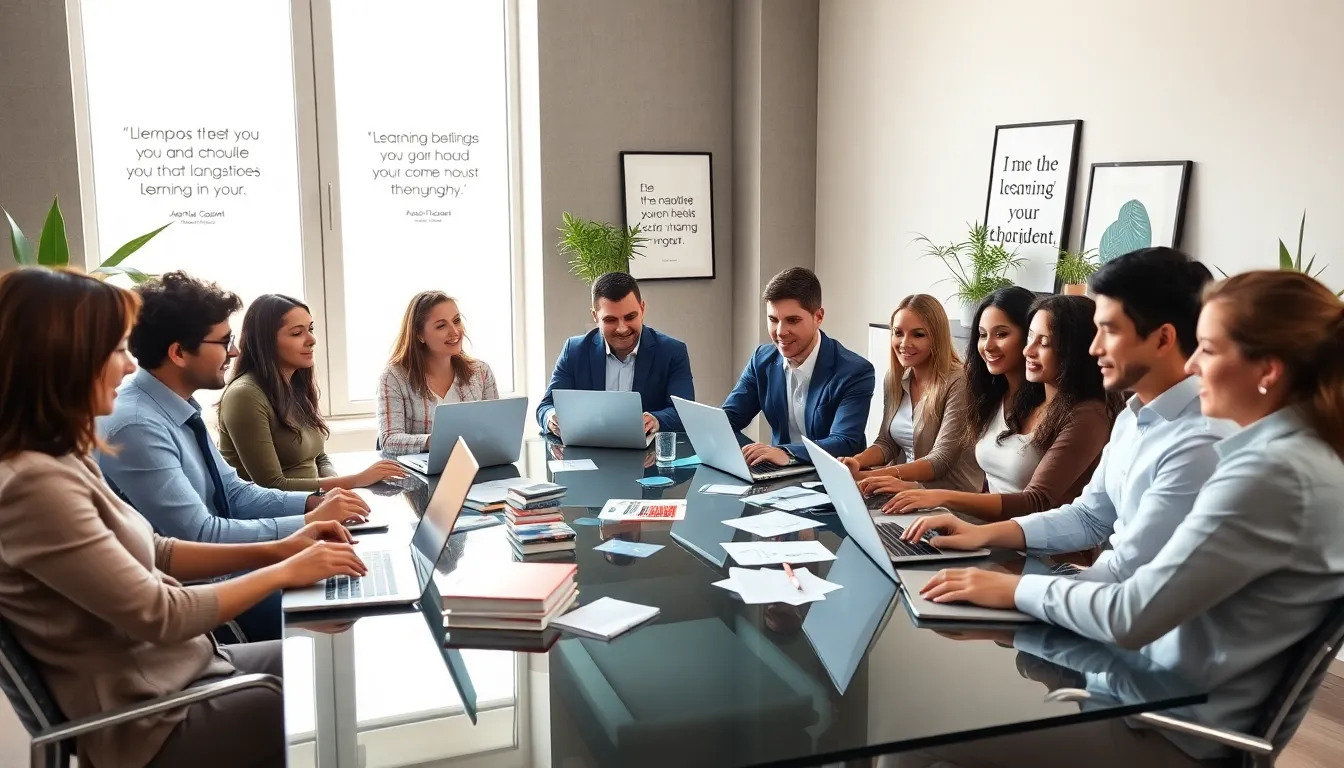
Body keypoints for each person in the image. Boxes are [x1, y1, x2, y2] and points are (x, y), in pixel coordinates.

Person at [901, 270, 1344, 767]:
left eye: (1210, 350)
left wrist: (1013, 590)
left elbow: (1131, 613)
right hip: (1134, 682)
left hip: (1166, 728)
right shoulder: (1288, 457)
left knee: (911, 733)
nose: (1195, 366)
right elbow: (1098, 526)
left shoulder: (1272, 475)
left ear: (1268, 370)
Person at [0, 267, 367, 768]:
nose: (129, 368)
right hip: (150, 716)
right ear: (65, 361)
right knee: (319, 673)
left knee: (336, 660)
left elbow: (159, 548)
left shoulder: (64, 454)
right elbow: (159, 613)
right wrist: (283, 570)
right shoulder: (33, 485)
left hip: (186, 667)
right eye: (114, 351)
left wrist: (287, 545)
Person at [898, 247, 1223, 583]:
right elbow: (1088, 518)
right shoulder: (1131, 418)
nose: (1094, 348)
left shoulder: (1197, 442)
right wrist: (982, 536)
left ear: (1163, 339)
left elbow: (1131, 585)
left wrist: (1013, 591)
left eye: (1109, 331)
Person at [99, 272, 369, 641]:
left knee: (357, 590)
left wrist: (312, 505)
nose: (235, 351)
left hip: (232, 575)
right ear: (178, 353)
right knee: (354, 615)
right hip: (204, 603)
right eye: (224, 341)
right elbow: (200, 533)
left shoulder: (176, 406)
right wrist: (298, 533)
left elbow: (236, 493)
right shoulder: (136, 426)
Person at [879, 293, 1121, 519]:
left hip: (1042, 550)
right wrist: (920, 493)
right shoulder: (1002, 398)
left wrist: (935, 497)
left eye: (1043, 342)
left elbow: (1036, 501)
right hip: (994, 533)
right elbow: (992, 487)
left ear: (1073, 350)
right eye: (982, 334)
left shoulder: (1086, 414)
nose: (1029, 350)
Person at [218, 294, 406, 491]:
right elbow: (271, 486)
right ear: (266, 342)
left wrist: (335, 489)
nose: (312, 339)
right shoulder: (245, 396)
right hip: (276, 517)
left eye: (311, 329)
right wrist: (355, 481)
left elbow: (319, 456)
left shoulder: (295, 387)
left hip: (313, 503)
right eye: (297, 333)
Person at [722, 267, 875, 464]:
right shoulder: (762, 359)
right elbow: (729, 419)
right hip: (777, 475)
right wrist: (745, 454)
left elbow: (844, 441)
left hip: (830, 478)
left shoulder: (854, 372)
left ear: (818, 317)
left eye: (792, 321)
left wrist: (786, 452)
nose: (780, 332)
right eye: (773, 320)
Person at [839, 294, 982, 494]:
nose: (904, 343)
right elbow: (886, 442)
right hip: (907, 491)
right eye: (898, 333)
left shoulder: (960, 381)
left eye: (918, 334)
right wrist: (856, 462)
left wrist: (870, 476)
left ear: (937, 338)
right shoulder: (895, 377)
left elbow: (940, 460)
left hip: (951, 499)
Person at [536, 271, 694, 438]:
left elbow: (684, 414)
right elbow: (546, 407)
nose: (622, 328)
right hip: (587, 453)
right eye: (610, 320)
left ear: (642, 309)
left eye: (630, 317)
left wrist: (655, 420)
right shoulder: (574, 351)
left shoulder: (672, 352)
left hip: (648, 457)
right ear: (595, 316)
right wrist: (551, 418)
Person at [377, 290, 500, 456]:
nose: (455, 331)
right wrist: (432, 441)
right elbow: (389, 440)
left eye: (456, 321)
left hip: (475, 470)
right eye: (441, 325)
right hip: (418, 477)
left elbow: (495, 432)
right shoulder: (394, 377)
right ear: (419, 335)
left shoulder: (481, 372)